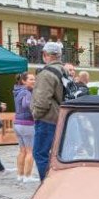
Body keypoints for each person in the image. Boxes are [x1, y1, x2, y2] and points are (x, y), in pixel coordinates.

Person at [31, 41, 65, 180]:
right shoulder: (65, 71)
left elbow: (42, 101)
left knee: (40, 153)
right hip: (62, 118)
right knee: (58, 155)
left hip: (47, 118)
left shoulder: (46, 73)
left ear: (45, 55)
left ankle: (47, 185)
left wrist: (35, 114)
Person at [13, 72, 38, 183]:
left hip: (17, 123)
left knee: (22, 151)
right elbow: (26, 104)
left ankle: (20, 175)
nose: (34, 81)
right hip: (27, 123)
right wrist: (36, 110)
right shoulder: (26, 92)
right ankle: (28, 177)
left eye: (34, 79)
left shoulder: (18, 90)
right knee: (30, 151)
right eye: (31, 79)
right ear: (23, 81)